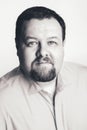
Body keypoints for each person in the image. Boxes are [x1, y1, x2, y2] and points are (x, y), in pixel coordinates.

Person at [0, 6, 87, 130]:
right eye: (32, 43)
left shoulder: (84, 80)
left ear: (63, 45)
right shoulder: (2, 101)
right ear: (17, 46)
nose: (43, 52)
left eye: (51, 42)